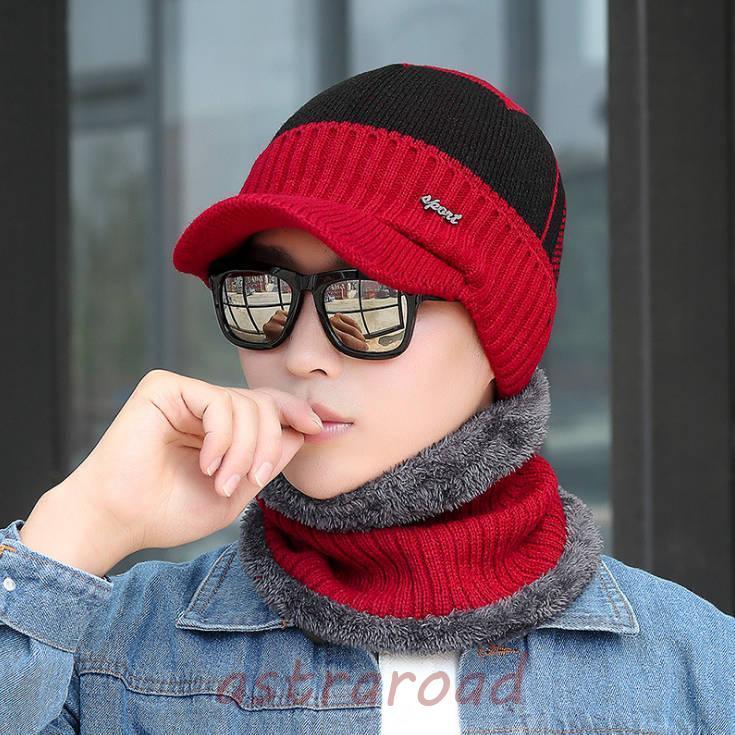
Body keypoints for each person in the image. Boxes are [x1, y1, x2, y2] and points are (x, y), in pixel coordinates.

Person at [1, 62, 733, 735]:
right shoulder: (105, 658)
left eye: (368, 300)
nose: (301, 354)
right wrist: (84, 522)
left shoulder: (696, 676)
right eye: (263, 293)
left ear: (500, 337)